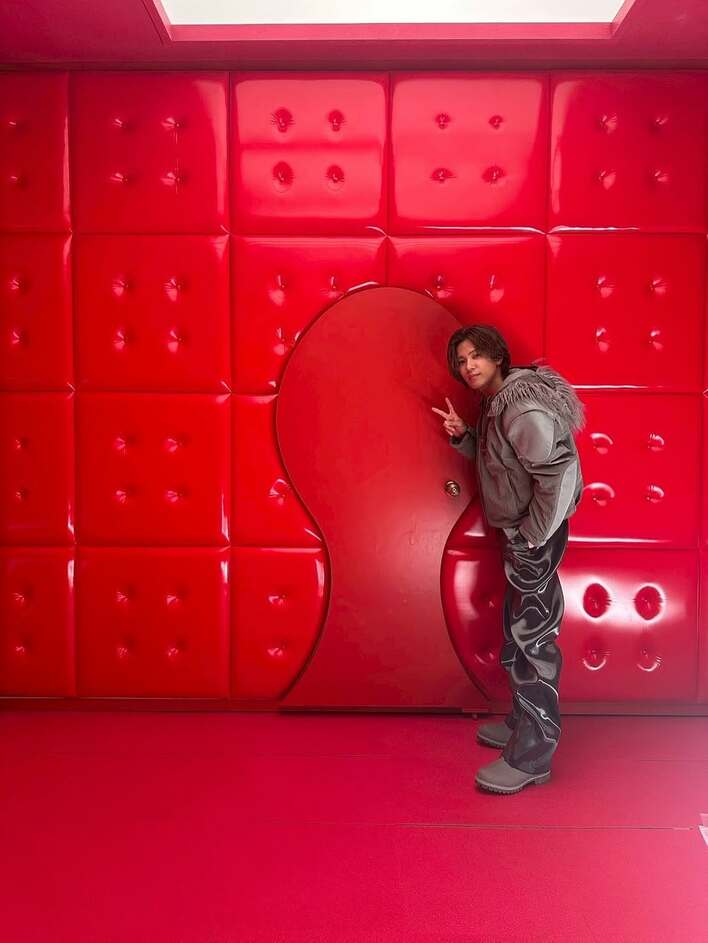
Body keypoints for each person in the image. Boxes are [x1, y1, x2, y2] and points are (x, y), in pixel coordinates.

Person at [432, 324, 584, 795]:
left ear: (498, 356)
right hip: (521, 533)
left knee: (533, 638)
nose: (468, 367)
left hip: (532, 536)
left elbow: (560, 472)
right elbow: (503, 461)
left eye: (476, 356)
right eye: (461, 361)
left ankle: (532, 754)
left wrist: (532, 537)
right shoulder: (498, 402)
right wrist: (466, 436)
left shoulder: (520, 403)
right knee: (518, 630)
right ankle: (522, 719)